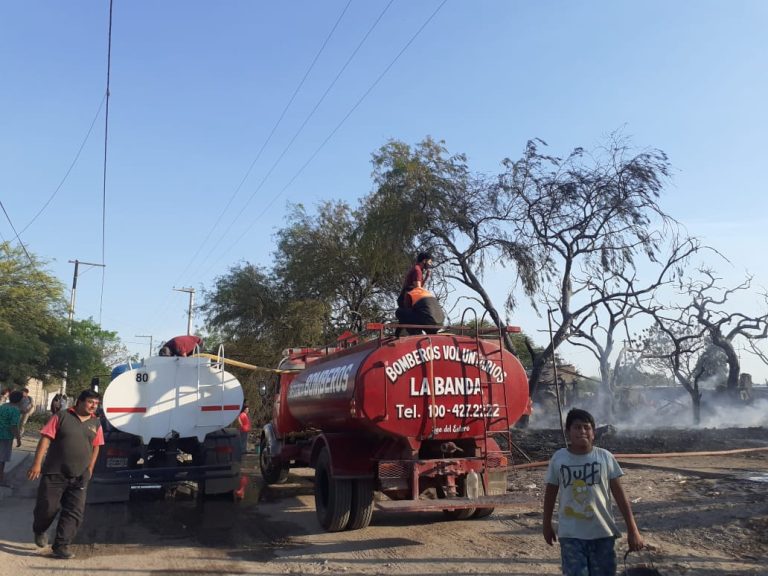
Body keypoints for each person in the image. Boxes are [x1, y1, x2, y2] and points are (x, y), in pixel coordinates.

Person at [543, 408, 643, 576]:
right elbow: (550, 493)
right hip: (571, 535)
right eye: (576, 427)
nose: (582, 431)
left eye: (586, 427)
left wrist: (633, 530)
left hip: (602, 533)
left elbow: (620, 495)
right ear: (568, 432)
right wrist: (546, 524)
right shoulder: (559, 458)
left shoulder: (605, 457)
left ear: (593, 432)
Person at [27, 389, 104, 560]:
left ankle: (61, 545)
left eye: (96, 404)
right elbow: (45, 438)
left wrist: (90, 468)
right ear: (80, 401)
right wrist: (37, 464)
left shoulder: (96, 423)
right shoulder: (61, 416)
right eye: (91, 402)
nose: (94, 406)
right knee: (47, 508)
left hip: (80, 475)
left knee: (74, 512)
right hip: (54, 472)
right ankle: (39, 529)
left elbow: (96, 446)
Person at [0, 390, 23, 487]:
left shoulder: (3, 407)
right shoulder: (15, 410)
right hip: (5, 437)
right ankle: (1, 480)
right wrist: (18, 438)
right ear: (19, 400)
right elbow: (14, 426)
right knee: (2, 459)